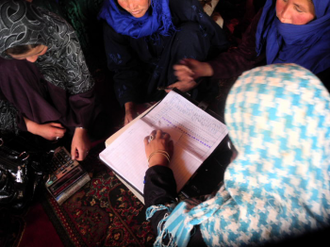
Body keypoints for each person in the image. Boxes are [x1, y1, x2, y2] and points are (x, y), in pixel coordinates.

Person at [143, 64, 330, 246]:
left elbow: (168, 231)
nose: (233, 156)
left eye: (236, 145)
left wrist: (157, 164)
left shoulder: (232, 228)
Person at [0, 0, 102, 161]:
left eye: (39, 51)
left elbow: (80, 82)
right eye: (23, 57)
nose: (33, 60)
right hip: (23, 121)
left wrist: (80, 128)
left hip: (70, 107)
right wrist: (33, 127)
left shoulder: (58, 31)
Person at [98, 0, 229, 125]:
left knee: (192, 32)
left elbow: (212, 40)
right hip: (146, 82)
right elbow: (122, 66)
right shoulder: (114, 18)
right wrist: (129, 107)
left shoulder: (178, 5)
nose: (131, 6)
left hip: (182, 75)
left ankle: (187, 103)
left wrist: (195, 79)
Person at [173, 0, 330, 93]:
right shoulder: (268, 15)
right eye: (283, 0)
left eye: (298, 8)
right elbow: (245, 55)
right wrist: (204, 69)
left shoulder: (324, 58)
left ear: (323, 15)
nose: (283, 14)